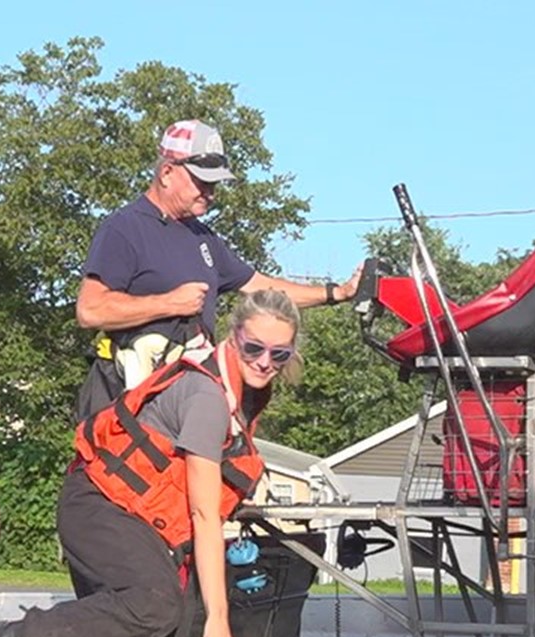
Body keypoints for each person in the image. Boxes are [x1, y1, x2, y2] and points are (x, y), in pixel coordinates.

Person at [0, 290, 302, 637]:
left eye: (279, 353)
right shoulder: (207, 398)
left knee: (177, 631)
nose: (265, 361)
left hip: (142, 525)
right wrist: (219, 617)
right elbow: (202, 511)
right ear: (234, 338)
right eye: (254, 347)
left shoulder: (244, 400)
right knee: (155, 606)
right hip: (98, 506)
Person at [72, 119, 361, 418]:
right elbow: (90, 310)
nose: (210, 192)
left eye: (214, 183)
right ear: (167, 173)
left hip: (181, 407)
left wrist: (337, 292)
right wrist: (169, 303)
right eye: (202, 181)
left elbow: (259, 286)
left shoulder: (204, 238)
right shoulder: (124, 228)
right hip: (124, 411)